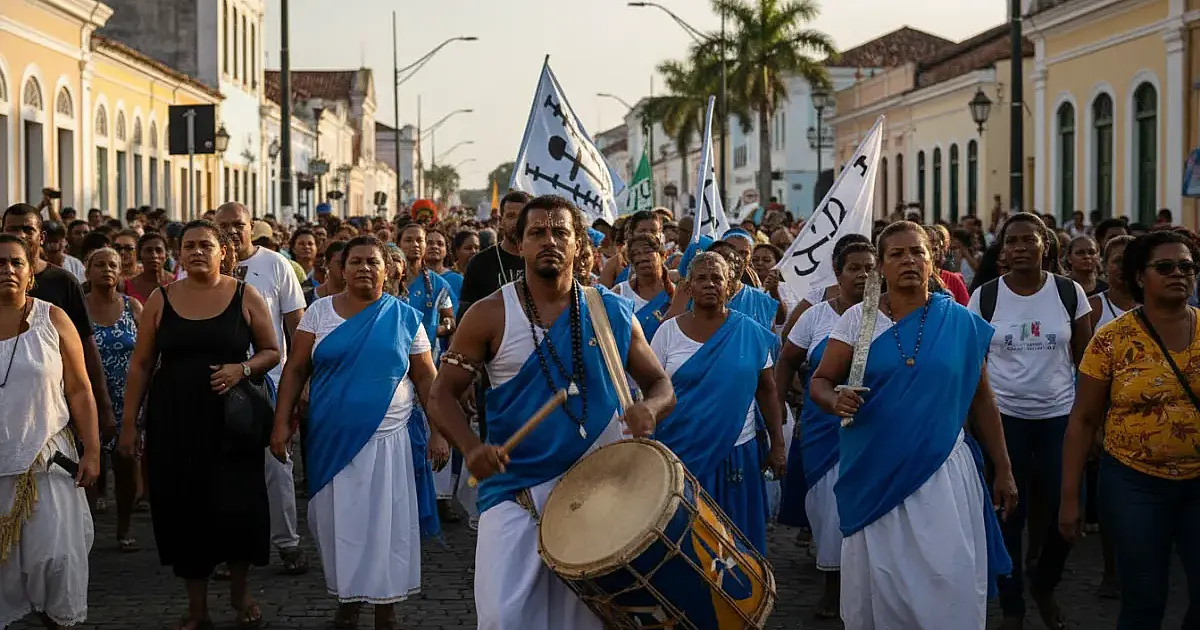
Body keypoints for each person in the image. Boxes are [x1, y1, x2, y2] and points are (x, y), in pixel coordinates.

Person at [427, 194, 675, 630]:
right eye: (536, 232)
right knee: (504, 618)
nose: (549, 241)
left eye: (560, 232)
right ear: (517, 243)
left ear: (579, 244)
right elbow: (442, 395)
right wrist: (470, 447)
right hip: (515, 492)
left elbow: (659, 384)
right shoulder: (488, 315)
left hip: (599, 492)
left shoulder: (612, 312)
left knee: (587, 621)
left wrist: (649, 410)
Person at [809, 221, 1017, 630]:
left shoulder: (959, 321)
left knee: (946, 573)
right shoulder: (858, 320)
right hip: (873, 469)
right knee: (883, 579)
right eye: (896, 254)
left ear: (933, 259)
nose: (908, 261)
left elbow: (982, 398)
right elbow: (820, 380)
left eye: (917, 252)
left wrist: (1004, 468)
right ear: (881, 267)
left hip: (941, 471)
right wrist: (834, 399)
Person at [271, 235, 443, 630]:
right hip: (330, 438)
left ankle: (387, 607)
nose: (364, 268)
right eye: (356, 262)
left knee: (388, 524)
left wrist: (439, 431)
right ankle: (347, 599)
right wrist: (280, 423)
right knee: (335, 522)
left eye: (373, 262)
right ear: (340, 269)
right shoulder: (318, 313)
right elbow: (296, 369)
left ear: (389, 269)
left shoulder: (404, 317)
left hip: (391, 439)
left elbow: (426, 379)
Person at [118, 220, 279, 630]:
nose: (196, 252)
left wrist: (241, 368)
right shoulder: (161, 298)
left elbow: (271, 351)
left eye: (205, 245)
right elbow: (140, 364)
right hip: (175, 419)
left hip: (232, 421)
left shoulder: (245, 294)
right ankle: (197, 608)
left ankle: (241, 595)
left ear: (223, 251)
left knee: (238, 505)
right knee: (184, 508)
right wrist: (129, 423)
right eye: (188, 246)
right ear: (180, 252)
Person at [1061, 230, 1200, 630]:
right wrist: (1070, 499)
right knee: (1144, 597)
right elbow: (1083, 419)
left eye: (1187, 266)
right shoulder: (1112, 340)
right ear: (1141, 276)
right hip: (1134, 483)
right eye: (1166, 267)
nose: (1179, 274)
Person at [967, 213, 1091, 630]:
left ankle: (1044, 583)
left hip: (1060, 418)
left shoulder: (1069, 293)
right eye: (1011, 241)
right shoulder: (984, 297)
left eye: (1028, 240)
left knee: (1067, 512)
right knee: (1008, 514)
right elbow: (974, 366)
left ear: (1046, 246)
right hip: (1005, 420)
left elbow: (1087, 362)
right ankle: (1013, 606)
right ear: (1002, 250)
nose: (1019, 247)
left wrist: (1091, 424)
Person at [651, 251, 783, 555]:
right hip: (681, 453)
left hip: (739, 450)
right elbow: (651, 390)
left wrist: (777, 444)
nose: (709, 284)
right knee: (686, 539)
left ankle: (744, 599)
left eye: (717, 278)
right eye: (701, 278)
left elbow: (767, 390)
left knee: (738, 536)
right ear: (688, 286)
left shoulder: (749, 332)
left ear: (729, 285)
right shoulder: (667, 333)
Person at [0, 233, 100, 630]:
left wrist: (91, 450)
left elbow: (79, 388)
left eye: (15, 263)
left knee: (55, 561)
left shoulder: (52, 318)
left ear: (30, 273)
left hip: (46, 462)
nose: (6, 269)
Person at [774, 240, 876, 618]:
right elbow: (786, 362)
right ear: (838, 273)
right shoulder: (816, 316)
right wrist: (782, 409)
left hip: (872, 428)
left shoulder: (887, 316)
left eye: (869, 267)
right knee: (828, 511)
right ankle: (832, 589)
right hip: (821, 427)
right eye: (854, 268)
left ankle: (865, 587)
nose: (863, 275)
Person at [214, 202, 309, 575]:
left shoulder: (275, 265)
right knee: (225, 470)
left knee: (277, 463)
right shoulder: (203, 266)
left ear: (251, 227)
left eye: (239, 225)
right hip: (220, 382)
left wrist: (300, 381)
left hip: (270, 381)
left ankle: (287, 543)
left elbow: (297, 328)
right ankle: (229, 550)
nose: (232, 232)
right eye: (224, 226)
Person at [2, 204, 117, 444]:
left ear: (41, 236)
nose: (20, 235)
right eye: (13, 229)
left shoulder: (63, 281)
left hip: (56, 408)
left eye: (27, 229)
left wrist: (103, 406)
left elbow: (86, 344)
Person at [82, 247, 142, 552]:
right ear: (87, 271)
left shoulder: (133, 308)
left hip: (127, 397)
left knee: (126, 462)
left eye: (112, 265)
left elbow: (148, 354)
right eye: (100, 264)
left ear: (121, 273)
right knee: (90, 464)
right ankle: (87, 529)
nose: (106, 269)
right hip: (87, 396)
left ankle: (124, 526)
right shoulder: (77, 309)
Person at [456, 191, 531, 320]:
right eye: (511, 216)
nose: (517, 222)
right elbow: (465, 316)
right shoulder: (480, 263)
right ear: (501, 221)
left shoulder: (542, 260)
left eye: (522, 216)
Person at [613, 233, 674, 342]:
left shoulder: (675, 293)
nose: (642, 258)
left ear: (662, 256)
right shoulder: (620, 292)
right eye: (635, 254)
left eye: (648, 251)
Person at [598, 210, 663, 287]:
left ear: (660, 235)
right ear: (631, 233)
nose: (648, 235)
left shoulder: (670, 261)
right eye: (643, 230)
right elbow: (601, 295)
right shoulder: (617, 262)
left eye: (653, 231)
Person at [122, 232, 173, 304]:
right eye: (148, 251)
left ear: (166, 255)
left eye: (158, 250)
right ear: (139, 255)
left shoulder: (177, 282)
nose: (154, 255)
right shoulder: (126, 287)